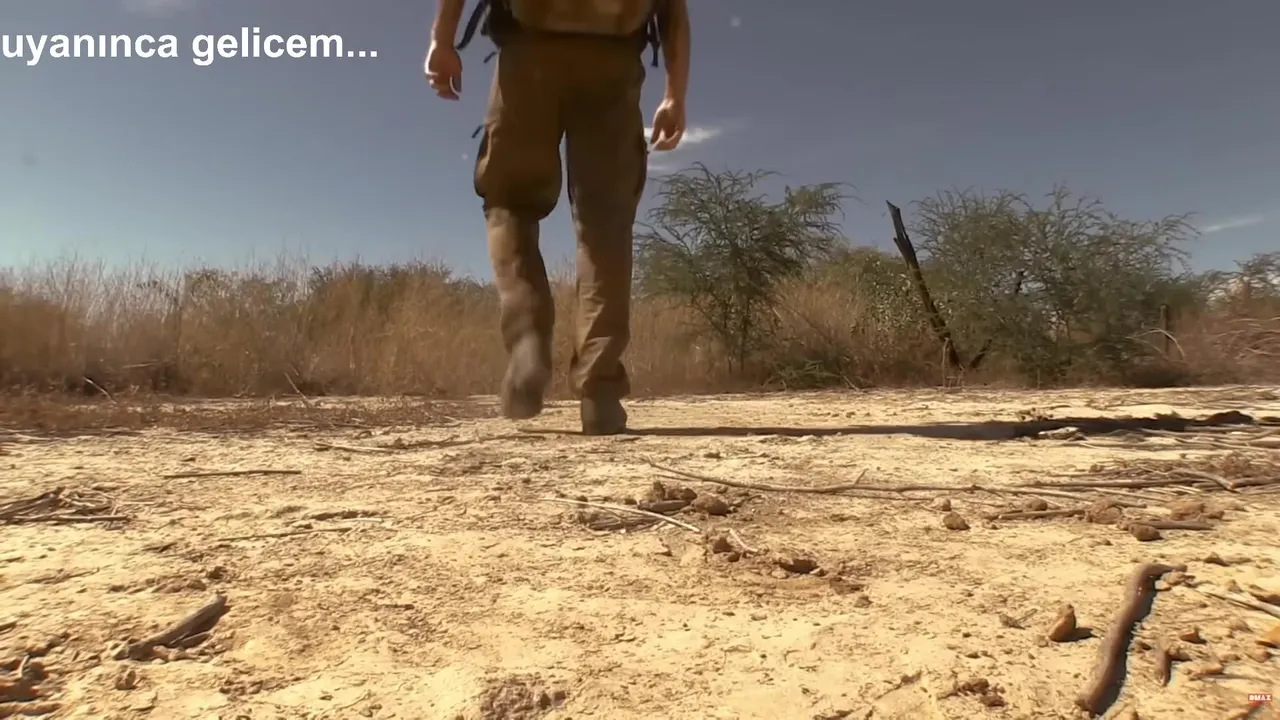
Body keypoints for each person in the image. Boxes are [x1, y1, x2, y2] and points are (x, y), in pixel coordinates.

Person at [424, 0, 690, 435]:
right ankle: (600, 391)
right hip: (614, 61)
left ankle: (527, 334)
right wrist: (674, 95)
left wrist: (442, 41)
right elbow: (673, 12)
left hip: (529, 53)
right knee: (605, 226)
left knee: (509, 203)